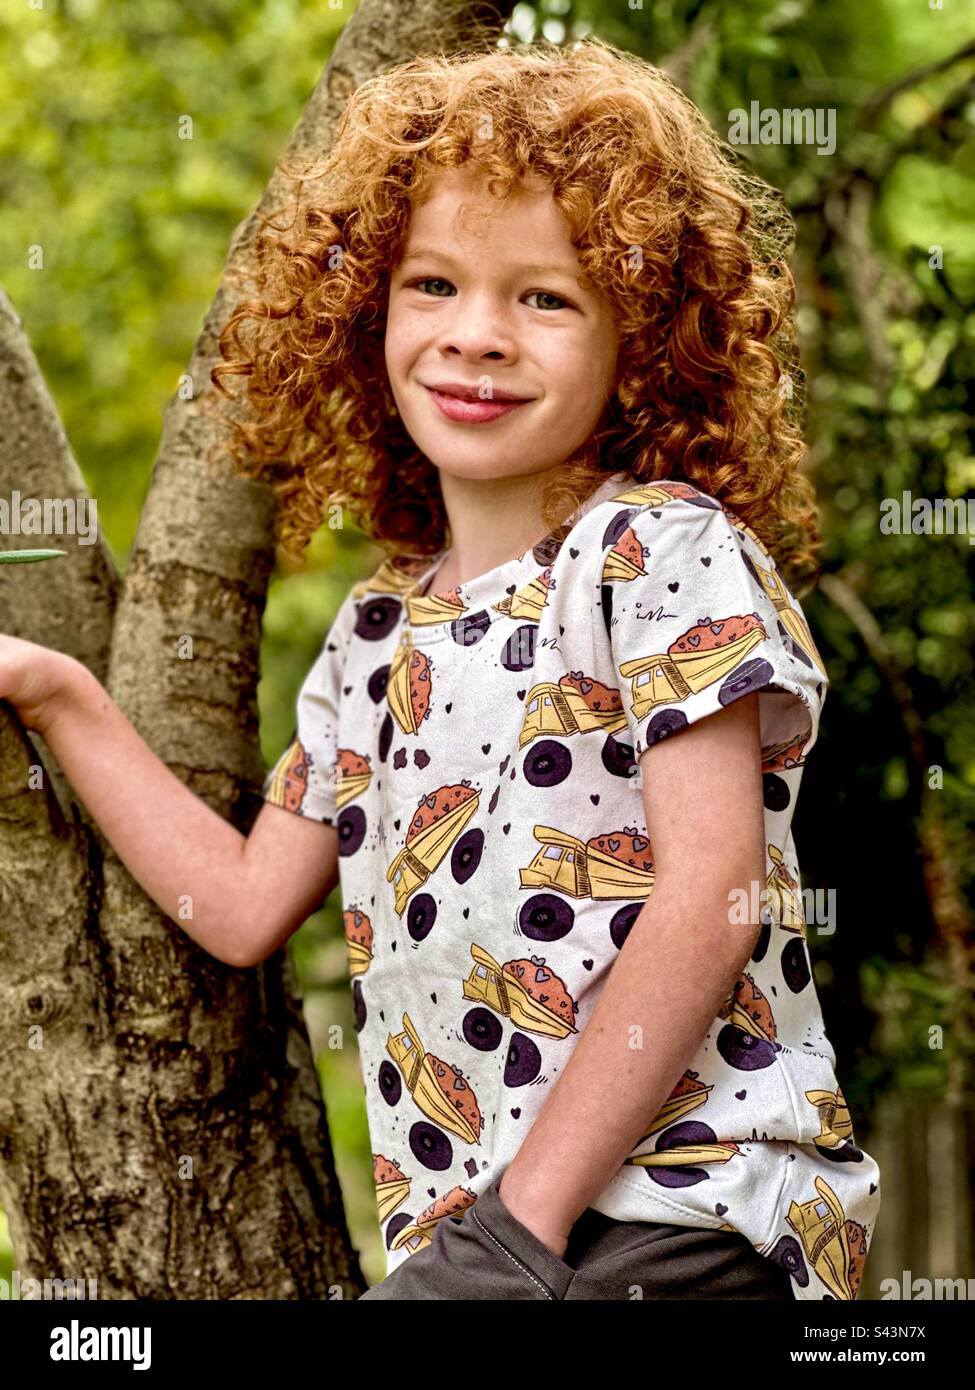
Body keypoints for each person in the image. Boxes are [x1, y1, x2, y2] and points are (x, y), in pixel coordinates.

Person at [0, 36, 880, 1302]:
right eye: (432, 284)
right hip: (497, 1257)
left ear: (640, 336)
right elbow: (245, 906)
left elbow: (716, 893)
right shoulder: (373, 640)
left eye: (546, 298)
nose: (477, 336)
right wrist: (59, 692)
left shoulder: (655, 554)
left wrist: (520, 1227)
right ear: (366, 313)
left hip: (690, 1216)